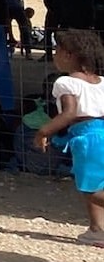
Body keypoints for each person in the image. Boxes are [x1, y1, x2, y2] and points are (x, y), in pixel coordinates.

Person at [34, 29, 104, 246]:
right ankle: (97, 229)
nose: (54, 54)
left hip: (86, 138)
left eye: (57, 49)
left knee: (89, 187)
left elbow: (70, 112)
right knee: (95, 181)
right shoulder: (101, 81)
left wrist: (44, 131)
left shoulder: (65, 83)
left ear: (69, 55)